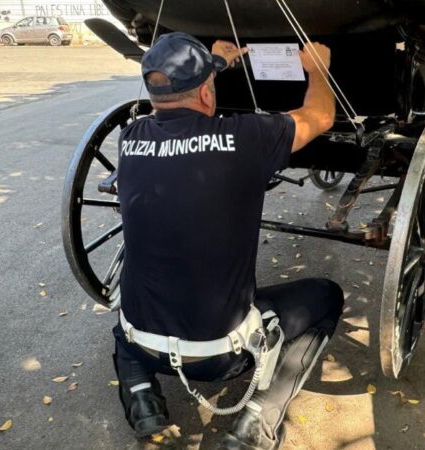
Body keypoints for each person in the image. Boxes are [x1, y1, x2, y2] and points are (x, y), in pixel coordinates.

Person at [113, 32, 343, 450]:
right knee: (327, 295)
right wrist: (318, 70)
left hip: (139, 343)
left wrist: (215, 63)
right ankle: (259, 419)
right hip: (220, 358)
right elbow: (320, 116)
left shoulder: (131, 139)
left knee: (132, 303)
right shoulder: (245, 138)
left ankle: (141, 396)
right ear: (205, 94)